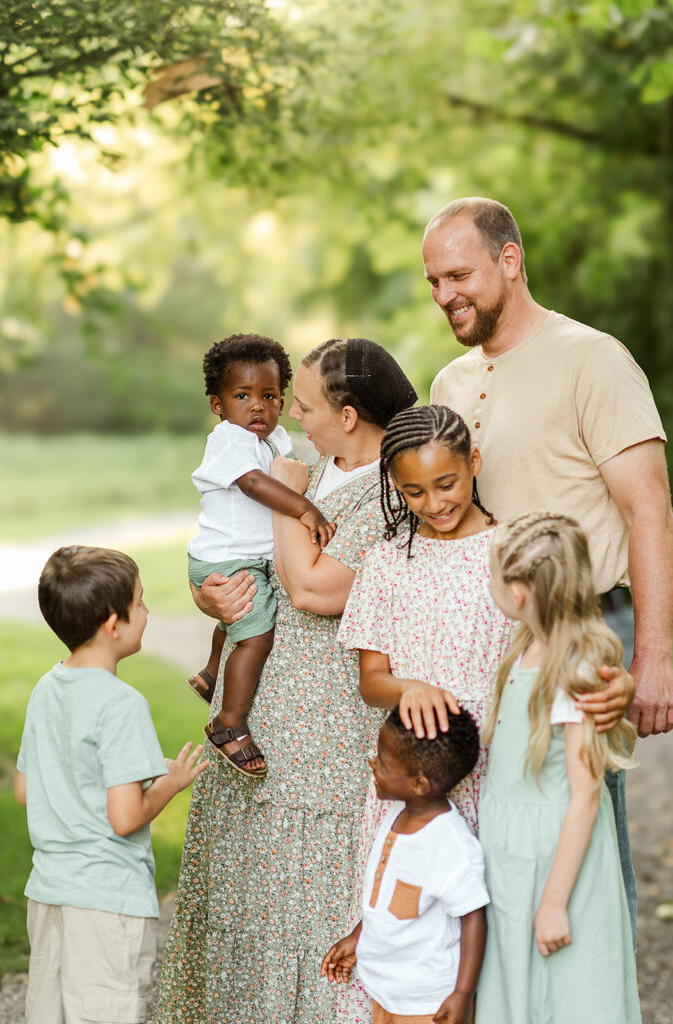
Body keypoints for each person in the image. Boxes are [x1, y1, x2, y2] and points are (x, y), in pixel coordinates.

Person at [334, 404, 631, 1024]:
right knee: (414, 939)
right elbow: (372, 680)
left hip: (500, 778)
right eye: (413, 491)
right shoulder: (387, 563)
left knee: (491, 947)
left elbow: (566, 641)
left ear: (474, 463)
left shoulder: (511, 553)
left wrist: (617, 681)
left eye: (446, 484)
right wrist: (407, 687)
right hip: (418, 780)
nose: (434, 503)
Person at [425, 196, 672, 936]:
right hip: (494, 633)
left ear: (510, 260)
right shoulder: (448, 384)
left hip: (587, 624)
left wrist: (656, 656)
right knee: (502, 827)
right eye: (433, 281)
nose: (445, 296)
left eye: (459, 275)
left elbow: (648, 509)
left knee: (581, 822)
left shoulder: (591, 358)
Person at [157, 338, 418, 1024]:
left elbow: (310, 588)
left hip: (323, 729)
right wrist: (213, 597)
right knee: (248, 900)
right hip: (256, 719)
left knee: (310, 899)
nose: (287, 414)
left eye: (300, 403)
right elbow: (238, 555)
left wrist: (288, 499)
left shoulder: (396, 490)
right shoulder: (306, 465)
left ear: (351, 414)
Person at [15, 545, 208, 1024]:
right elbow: (124, 818)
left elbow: (26, 788)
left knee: (50, 1011)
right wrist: (171, 782)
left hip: (48, 891)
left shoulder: (47, 687)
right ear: (112, 624)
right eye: (140, 602)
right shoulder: (122, 704)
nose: (147, 611)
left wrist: (130, 770)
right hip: (107, 899)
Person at [476, 513, 641, 1024]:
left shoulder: (576, 674)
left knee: (566, 992)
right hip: (511, 848)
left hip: (556, 857)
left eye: (496, 575)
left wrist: (553, 903)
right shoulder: (524, 650)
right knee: (516, 988)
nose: (491, 585)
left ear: (521, 592)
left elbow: (586, 796)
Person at [185, 333, 335, 778]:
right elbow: (254, 484)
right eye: (242, 395)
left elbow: (297, 467)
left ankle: (213, 673)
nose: (258, 406)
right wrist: (304, 506)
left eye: (269, 396)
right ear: (218, 405)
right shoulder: (229, 439)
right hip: (228, 558)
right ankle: (229, 723)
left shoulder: (275, 440)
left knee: (236, 618)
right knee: (256, 635)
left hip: (237, 555)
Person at [321, 707, 489, 1024]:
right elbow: (389, 898)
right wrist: (358, 937)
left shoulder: (449, 843)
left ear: (420, 783)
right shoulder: (396, 816)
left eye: (383, 761)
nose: (373, 762)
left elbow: (474, 919)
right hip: (386, 990)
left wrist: (463, 994)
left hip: (427, 1000)